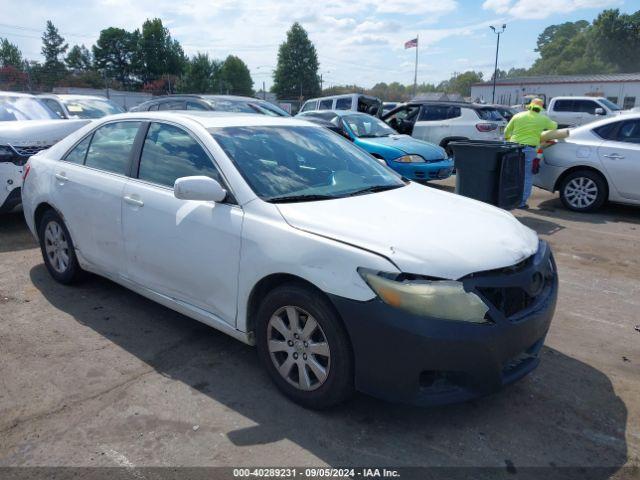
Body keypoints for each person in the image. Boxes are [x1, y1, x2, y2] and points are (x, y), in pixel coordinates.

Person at [504, 98, 557, 209]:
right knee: (527, 176)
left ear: (529, 106)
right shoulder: (542, 119)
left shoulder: (518, 116)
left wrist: (509, 140)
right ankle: (521, 203)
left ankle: (507, 198)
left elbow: (506, 131)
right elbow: (554, 126)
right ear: (541, 108)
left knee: (512, 175)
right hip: (529, 150)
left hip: (513, 148)